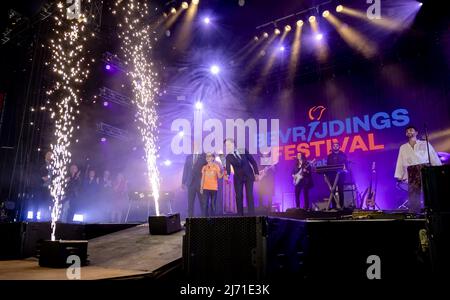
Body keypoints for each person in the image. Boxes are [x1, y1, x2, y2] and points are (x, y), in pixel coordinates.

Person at [395, 125, 442, 212]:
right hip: (412, 171)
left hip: (425, 169)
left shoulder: (425, 144)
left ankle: (432, 211)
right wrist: (399, 175)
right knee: (414, 195)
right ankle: (415, 214)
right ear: (406, 134)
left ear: (416, 132)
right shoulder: (403, 147)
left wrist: (438, 169)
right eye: (407, 131)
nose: (409, 132)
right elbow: (400, 161)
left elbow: (433, 156)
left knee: (429, 192)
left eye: (411, 130)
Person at [224, 138, 259, 216]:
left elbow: (252, 161)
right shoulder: (228, 157)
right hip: (238, 178)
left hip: (249, 176)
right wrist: (227, 176)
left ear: (233, 144)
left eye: (229, 144)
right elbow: (228, 169)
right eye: (226, 146)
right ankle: (240, 215)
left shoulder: (242, 150)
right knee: (239, 196)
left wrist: (256, 173)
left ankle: (251, 215)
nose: (228, 147)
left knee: (249, 195)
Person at [182, 148, 207, 217]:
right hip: (190, 183)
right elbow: (185, 169)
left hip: (200, 183)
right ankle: (190, 220)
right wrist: (183, 182)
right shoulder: (188, 157)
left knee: (202, 202)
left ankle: (204, 219)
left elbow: (208, 167)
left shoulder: (203, 156)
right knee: (190, 203)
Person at [200, 153, 223, 217]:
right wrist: (201, 188)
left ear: (213, 158)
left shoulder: (216, 166)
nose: (207, 157)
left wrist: (223, 172)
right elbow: (202, 178)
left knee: (213, 205)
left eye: (209, 156)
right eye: (206, 156)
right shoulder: (204, 167)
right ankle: (205, 219)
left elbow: (219, 176)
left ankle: (212, 220)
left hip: (214, 188)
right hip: (205, 188)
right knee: (205, 205)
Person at [327, 142, 348, 209]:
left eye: (337, 145)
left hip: (341, 175)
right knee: (332, 191)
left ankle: (341, 206)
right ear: (332, 147)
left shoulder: (343, 155)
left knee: (340, 190)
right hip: (332, 175)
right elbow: (328, 166)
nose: (335, 147)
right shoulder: (330, 156)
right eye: (334, 146)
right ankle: (334, 206)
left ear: (339, 146)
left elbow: (345, 164)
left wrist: (345, 170)